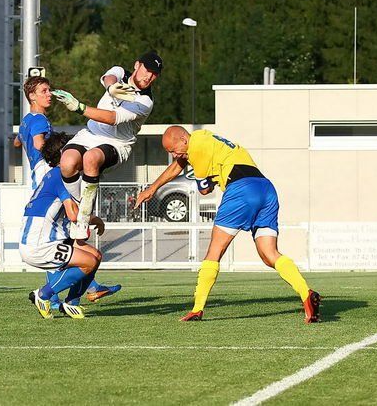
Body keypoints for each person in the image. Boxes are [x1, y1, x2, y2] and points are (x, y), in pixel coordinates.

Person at [135, 126, 321, 323]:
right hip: (266, 189)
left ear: (183, 139)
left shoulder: (196, 148)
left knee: (214, 251)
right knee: (269, 254)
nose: (174, 155)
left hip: (241, 190)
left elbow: (204, 190)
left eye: (173, 150)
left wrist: (212, 178)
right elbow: (178, 165)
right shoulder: (206, 138)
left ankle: (197, 309)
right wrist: (152, 188)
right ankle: (306, 294)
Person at [51, 51, 163, 301]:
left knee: (91, 159)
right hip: (90, 134)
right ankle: (78, 209)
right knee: (67, 162)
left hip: (117, 144)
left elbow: (112, 119)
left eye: (155, 74)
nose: (149, 76)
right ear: (137, 65)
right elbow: (109, 77)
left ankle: (82, 219)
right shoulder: (121, 72)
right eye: (147, 69)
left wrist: (79, 107)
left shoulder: (145, 101)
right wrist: (112, 88)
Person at [21, 132, 105, 320]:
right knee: (89, 262)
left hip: (44, 238)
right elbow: (74, 214)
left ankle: (71, 304)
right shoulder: (60, 175)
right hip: (39, 244)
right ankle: (43, 294)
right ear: (64, 153)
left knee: (96, 256)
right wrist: (96, 220)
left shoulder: (54, 175)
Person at [13, 75, 53, 189]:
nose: (49, 94)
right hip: (46, 168)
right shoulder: (40, 119)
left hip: (36, 170)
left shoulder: (26, 120)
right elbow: (38, 144)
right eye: (44, 91)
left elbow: (16, 142)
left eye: (49, 90)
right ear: (32, 96)